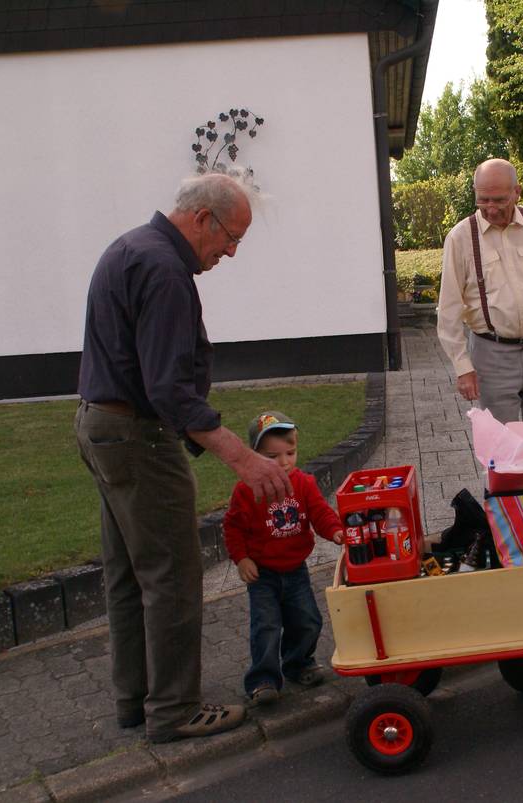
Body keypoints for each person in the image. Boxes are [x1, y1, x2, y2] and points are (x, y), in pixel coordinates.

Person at [74, 172, 292, 744]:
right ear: (201, 218)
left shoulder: (130, 248)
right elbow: (169, 390)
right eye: (230, 237)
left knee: (128, 574)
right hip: (137, 438)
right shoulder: (165, 270)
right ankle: (173, 710)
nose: (232, 251)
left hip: (99, 425)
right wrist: (244, 459)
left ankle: (135, 701)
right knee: (172, 574)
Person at [436, 158, 523, 422]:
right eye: (483, 200)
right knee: (502, 443)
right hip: (491, 354)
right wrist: (463, 367)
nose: (491, 208)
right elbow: (449, 309)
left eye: (499, 200)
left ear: (516, 192)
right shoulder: (461, 237)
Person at [223, 411, 345, 706]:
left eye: (290, 453)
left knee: (307, 620)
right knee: (265, 627)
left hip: (296, 570)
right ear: (255, 458)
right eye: (273, 456)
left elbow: (320, 513)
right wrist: (241, 559)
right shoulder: (247, 490)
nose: (284, 462)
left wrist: (337, 532)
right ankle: (263, 679)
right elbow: (233, 527)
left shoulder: (303, 483)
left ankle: (299, 663)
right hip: (262, 574)